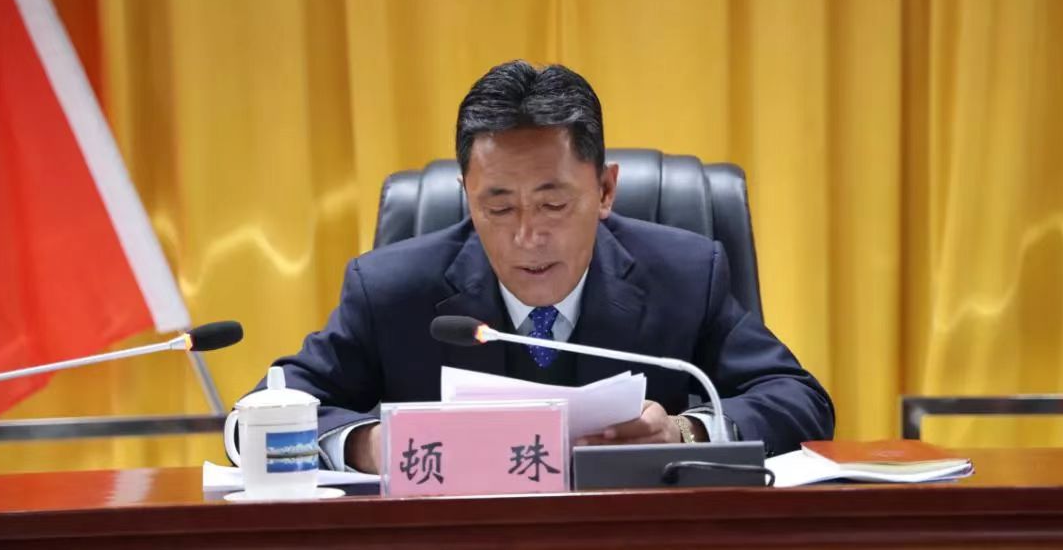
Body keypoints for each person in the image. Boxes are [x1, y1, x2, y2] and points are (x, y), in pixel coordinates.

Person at [249, 60, 834, 473]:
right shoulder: (390, 291)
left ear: (605, 191)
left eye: (554, 205)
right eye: (499, 207)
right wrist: (367, 446)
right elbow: (261, 414)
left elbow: (799, 399)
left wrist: (685, 432)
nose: (527, 236)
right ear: (466, 196)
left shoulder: (684, 274)